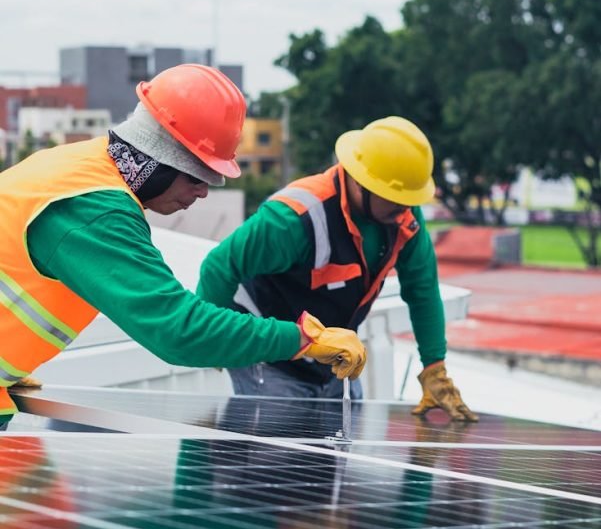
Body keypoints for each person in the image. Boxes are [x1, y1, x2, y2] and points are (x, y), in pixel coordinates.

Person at [0, 64, 366, 430]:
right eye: (197, 174)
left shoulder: (78, 166)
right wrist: (303, 338)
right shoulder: (93, 210)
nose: (204, 191)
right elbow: (179, 330)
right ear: (160, 156)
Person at [197, 116, 478, 422]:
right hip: (272, 358)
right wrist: (216, 341)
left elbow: (422, 290)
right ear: (361, 183)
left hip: (335, 358)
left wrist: (434, 367)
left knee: (336, 453)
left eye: (410, 200)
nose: (406, 209)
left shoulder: (403, 220)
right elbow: (219, 267)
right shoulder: (294, 218)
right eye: (397, 199)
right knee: (279, 455)